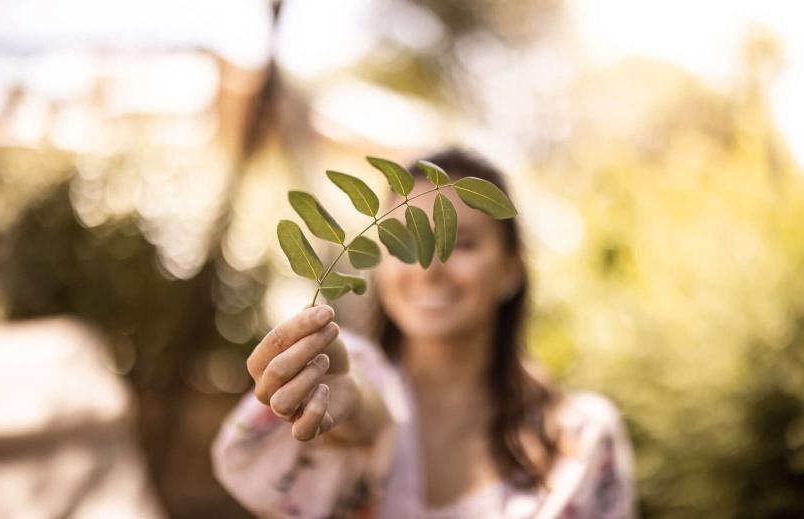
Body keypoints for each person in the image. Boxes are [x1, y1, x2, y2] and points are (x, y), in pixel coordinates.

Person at [211, 149, 637, 518]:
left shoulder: (582, 438)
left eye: (462, 242)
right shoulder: (357, 380)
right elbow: (366, 407)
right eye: (406, 244)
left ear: (511, 269)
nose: (429, 269)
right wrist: (336, 394)